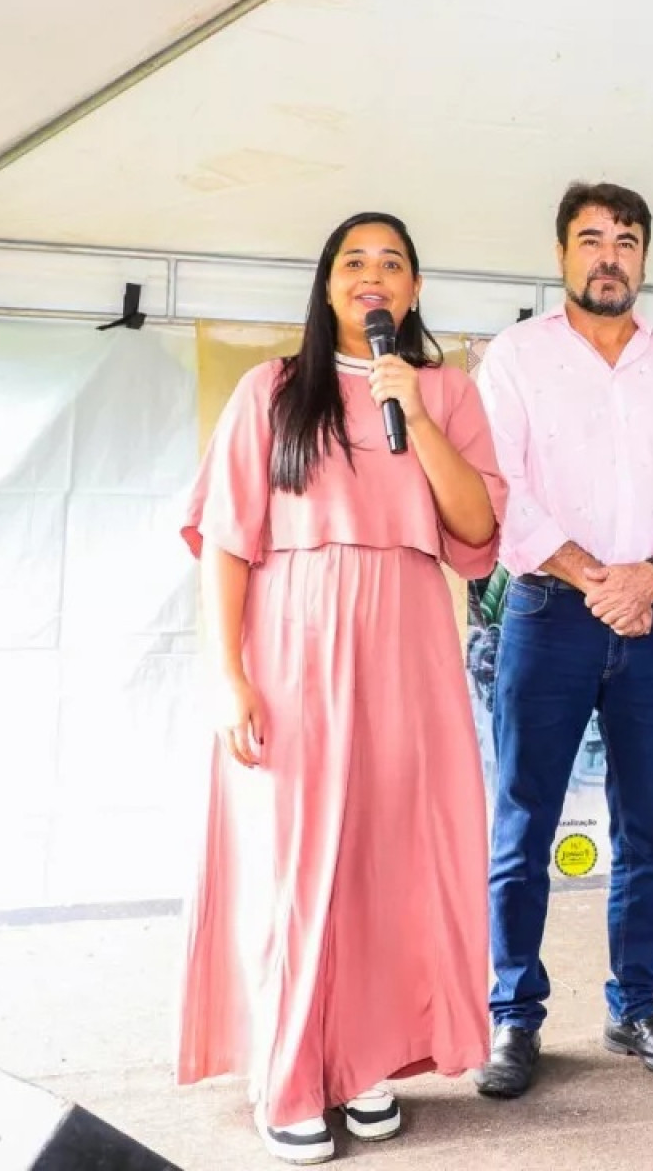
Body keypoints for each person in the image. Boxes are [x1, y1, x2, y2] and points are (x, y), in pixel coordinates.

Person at [177, 212, 505, 1164]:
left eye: (392, 264)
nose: (373, 276)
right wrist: (229, 674)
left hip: (409, 643)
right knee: (294, 866)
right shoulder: (272, 389)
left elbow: (478, 528)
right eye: (354, 262)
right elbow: (227, 544)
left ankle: (364, 1062)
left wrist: (419, 408)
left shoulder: (444, 390)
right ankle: (287, 1074)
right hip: (293, 644)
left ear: (413, 294)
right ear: (327, 288)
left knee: (387, 859)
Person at [475, 183, 653, 1095]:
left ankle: (636, 1007)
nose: (608, 255)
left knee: (646, 829)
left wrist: (650, 574)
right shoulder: (516, 358)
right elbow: (498, 486)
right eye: (590, 239)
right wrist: (595, 576)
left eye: (625, 240)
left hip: (651, 619)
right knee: (522, 825)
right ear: (561, 255)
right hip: (550, 614)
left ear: (645, 258)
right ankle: (513, 1018)